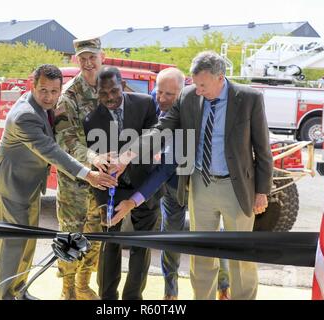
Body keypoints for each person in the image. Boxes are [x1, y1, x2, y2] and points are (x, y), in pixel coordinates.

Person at [116, 51, 273, 300]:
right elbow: (162, 129)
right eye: (195, 84)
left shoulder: (249, 98)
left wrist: (262, 190)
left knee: (240, 256)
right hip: (201, 185)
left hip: (237, 188)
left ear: (220, 78)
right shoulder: (188, 97)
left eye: (203, 85)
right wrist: (127, 155)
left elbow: (262, 148)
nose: (198, 90)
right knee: (201, 255)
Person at [0, 64, 117, 300]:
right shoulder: (25, 115)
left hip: (27, 185)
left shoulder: (45, 108)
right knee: (13, 246)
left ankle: (19, 290)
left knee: (27, 241)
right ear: (32, 85)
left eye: (54, 91)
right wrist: (89, 174)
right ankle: (5, 296)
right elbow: (51, 151)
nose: (48, 97)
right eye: (43, 90)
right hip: (11, 184)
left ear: (60, 90)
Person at [112, 67, 231, 300]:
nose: (162, 99)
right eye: (159, 92)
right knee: (171, 237)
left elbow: (167, 165)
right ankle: (170, 292)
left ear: (184, 91)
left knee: (211, 238)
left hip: (201, 187)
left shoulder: (197, 109)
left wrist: (134, 200)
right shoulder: (154, 109)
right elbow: (160, 159)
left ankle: (223, 287)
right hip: (173, 189)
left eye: (169, 95)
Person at [83, 66, 162, 300]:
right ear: (96, 92)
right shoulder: (91, 118)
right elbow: (93, 159)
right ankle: (107, 299)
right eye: (103, 93)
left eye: (114, 91)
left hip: (143, 185)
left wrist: (129, 156)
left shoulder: (146, 104)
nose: (110, 98)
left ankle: (132, 298)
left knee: (141, 245)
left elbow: (155, 141)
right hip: (110, 189)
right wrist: (102, 201)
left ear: (123, 85)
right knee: (109, 244)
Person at [54, 37, 109, 300]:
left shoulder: (112, 90)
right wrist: (94, 160)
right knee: (71, 238)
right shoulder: (69, 96)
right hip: (75, 183)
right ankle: (68, 291)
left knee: (96, 236)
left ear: (102, 57)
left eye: (92, 57)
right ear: (77, 60)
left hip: (104, 180)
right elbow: (66, 141)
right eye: (83, 58)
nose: (88, 63)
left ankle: (83, 284)